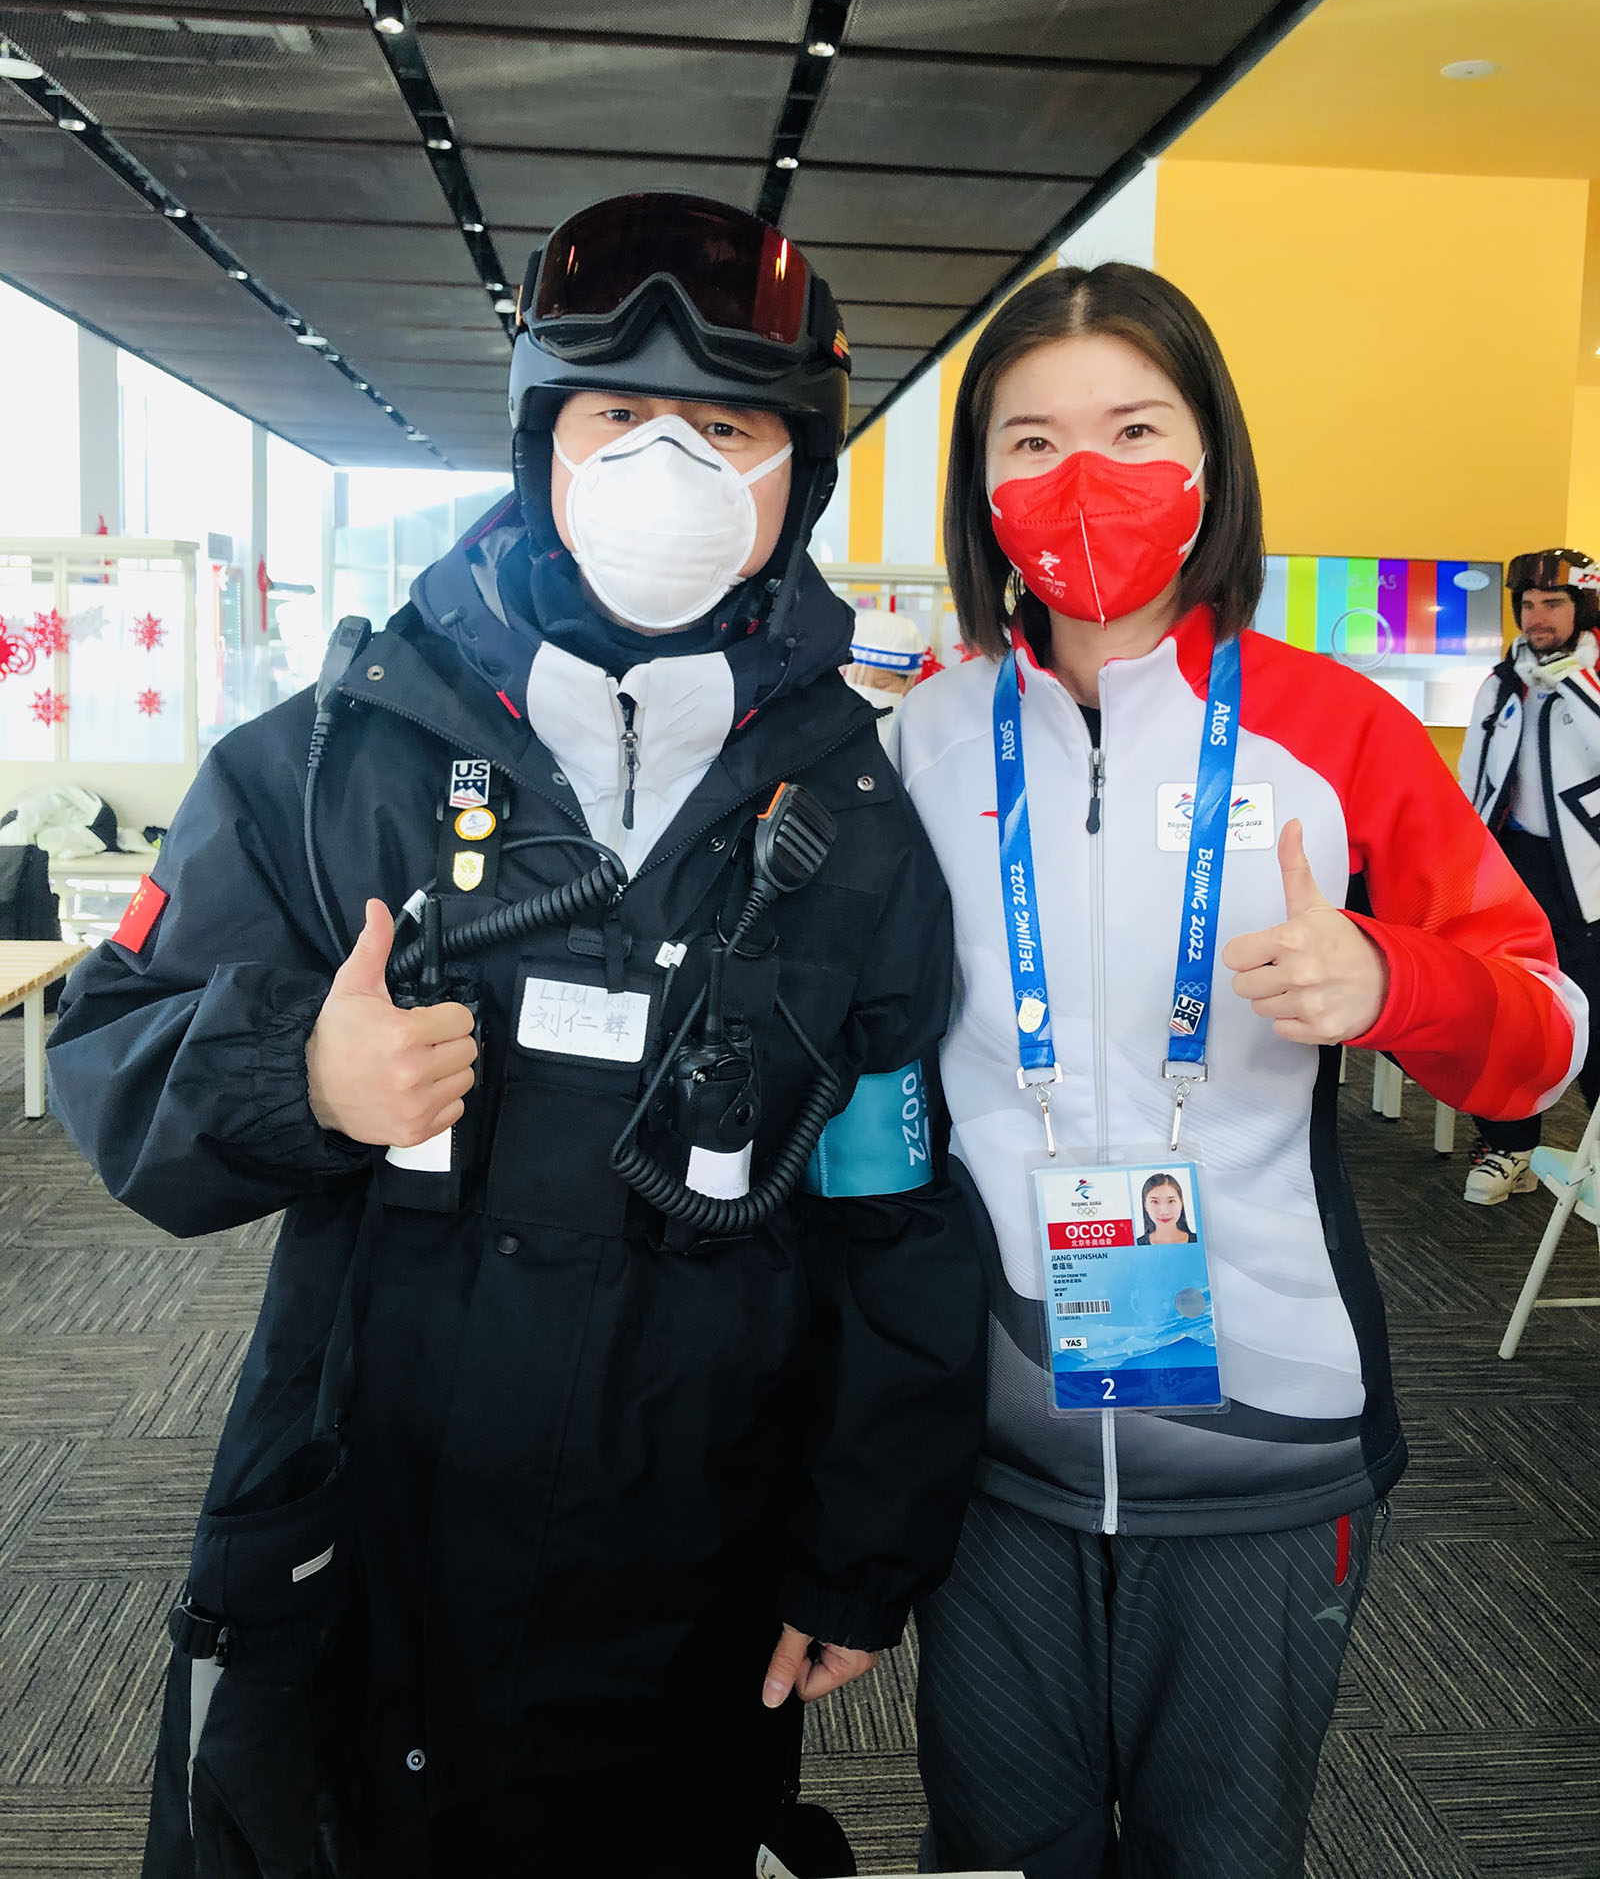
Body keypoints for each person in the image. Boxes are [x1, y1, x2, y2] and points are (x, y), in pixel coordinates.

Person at [47, 192, 986, 1879]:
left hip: (687, 1558)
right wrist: (301, 1075)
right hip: (358, 1538)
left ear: (800, 474)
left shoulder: (851, 815)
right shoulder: (342, 752)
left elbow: (891, 1209)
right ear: (543, 440)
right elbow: (110, 1048)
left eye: (724, 427)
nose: (665, 463)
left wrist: (862, 1546)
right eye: (619, 414)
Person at [892, 262, 1585, 1879]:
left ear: (1210, 455)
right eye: (1032, 439)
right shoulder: (920, 742)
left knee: (1221, 1849)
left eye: (1134, 428)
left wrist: (1392, 977)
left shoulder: (1333, 731)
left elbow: (1550, 1026)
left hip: (1268, 1424)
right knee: (995, 1845)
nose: (1083, 475)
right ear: (980, 483)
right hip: (983, 1429)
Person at [1458, 548, 1600, 1203]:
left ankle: (1593, 1151)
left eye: (1553, 603)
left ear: (1583, 609)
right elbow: (1474, 772)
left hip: (1586, 882)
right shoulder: (1502, 681)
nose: (1537, 617)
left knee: (1594, 1017)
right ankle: (1508, 1145)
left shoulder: (1589, 677)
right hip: (1511, 868)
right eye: (1528, 604)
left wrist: (1573, 681)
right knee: (1504, 1014)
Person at [844, 605, 928, 742]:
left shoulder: (920, 734)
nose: (865, 692)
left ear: (910, 683)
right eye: (856, 679)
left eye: (880, 684)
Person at [1135, 1171, 1194, 1245]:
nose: (1164, 1211)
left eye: (1171, 1201)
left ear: (1181, 1202)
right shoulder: (1137, 1245)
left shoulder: (1199, 1240)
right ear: (1145, 1205)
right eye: (1155, 1202)